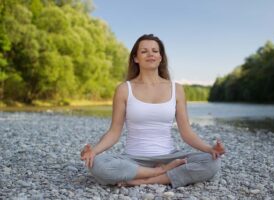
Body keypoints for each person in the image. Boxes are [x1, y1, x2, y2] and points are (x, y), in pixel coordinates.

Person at [80, 34, 225, 188]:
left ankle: (143, 179)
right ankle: (161, 172)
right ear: (136, 58)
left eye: (155, 51)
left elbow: (186, 131)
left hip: (169, 156)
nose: (150, 54)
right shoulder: (124, 89)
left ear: (160, 57)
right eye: (144, 51)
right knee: (97, 164)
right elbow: (114, 132)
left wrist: (209, 149)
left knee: (212, 162)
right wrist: (94, 151)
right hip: (134, 159)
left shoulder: (176, 89)